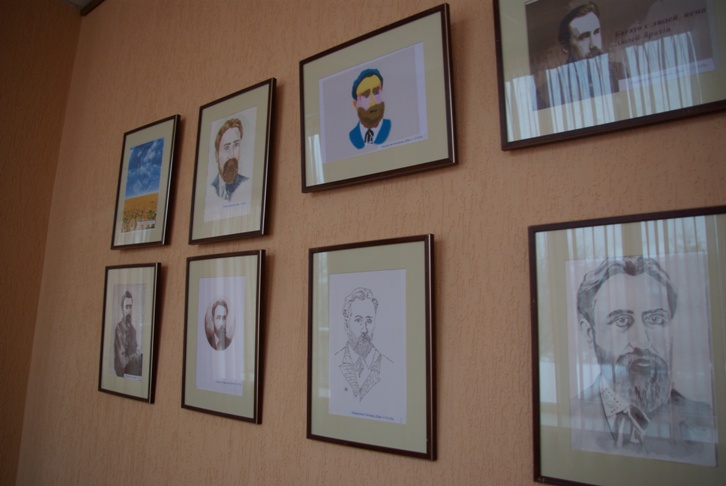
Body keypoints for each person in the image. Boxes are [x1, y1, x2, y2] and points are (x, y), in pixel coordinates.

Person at [570, 256, 715, 465]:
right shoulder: (568, 415)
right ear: (588, 332)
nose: (643, 343)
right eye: (622, 320)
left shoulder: (704, 421)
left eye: (655, 319)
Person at [334, 287, 391, 402]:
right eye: (358, 320)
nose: (364, 329)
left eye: (369, 321)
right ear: (346, 325)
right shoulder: (333, 362)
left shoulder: (389, 367)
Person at [349, 69, 391, 149]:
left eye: (376, 92)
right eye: (366, 95)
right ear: (355, 105)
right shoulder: (353, 135)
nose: (373, 102)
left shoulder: (390, 126)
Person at [211, 118, 248, 200]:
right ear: (216, 155)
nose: (232, 155)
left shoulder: (246, 184)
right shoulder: (211, 189)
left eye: (236, 145)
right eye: (226, 147)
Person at [114, 291, 142, 377]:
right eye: (127, 307)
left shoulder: (133, 330)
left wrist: (138, 350)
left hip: (132, 373)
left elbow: (135, 348)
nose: (129, 310)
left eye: (130, 307)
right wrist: (135, 356)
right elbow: (122, 361)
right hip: (122, 375)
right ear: (122, 308)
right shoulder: (119, 328)